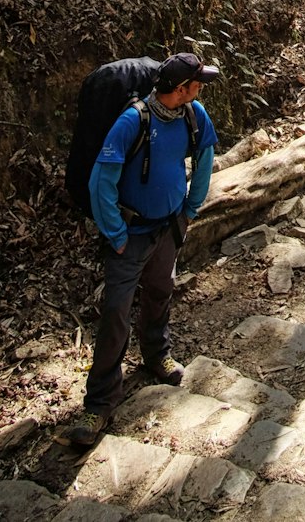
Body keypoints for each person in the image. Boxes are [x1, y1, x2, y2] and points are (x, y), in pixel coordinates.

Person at [66, 52, 219, 449]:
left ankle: (156, 354)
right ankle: (98, 402)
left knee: (160, 290)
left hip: (168, 228)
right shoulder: (134, 120)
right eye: (196, 83)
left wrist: (190, 208)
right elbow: (102, 179)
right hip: (130, 234)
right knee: (116, 309)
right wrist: (115, 232)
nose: (201, 88)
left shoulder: (193, 114)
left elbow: (205, 157)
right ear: (179, 88)